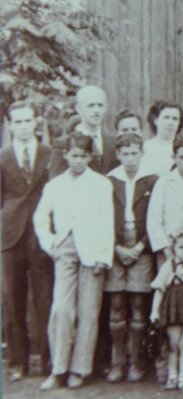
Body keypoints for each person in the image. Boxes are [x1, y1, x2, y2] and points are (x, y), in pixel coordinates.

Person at [33, 132, 114, 390]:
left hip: (92, 250)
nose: (78, 160)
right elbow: (40, 219)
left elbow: (106, 221)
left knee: (89, 310)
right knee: (61, 309)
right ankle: (58, 368)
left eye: (83, 156)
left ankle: (80, 369)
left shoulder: (101, 184)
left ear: (90, 157)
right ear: (66, 155)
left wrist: (103, 255)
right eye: (74, 155)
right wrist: (51, 244)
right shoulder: (55, 185)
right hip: (65, 249)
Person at [1, 101, 54, 381]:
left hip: (41, 234)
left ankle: (47, 360)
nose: (23, 127)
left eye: (27, 121)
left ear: (36, 122)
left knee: (45, 297)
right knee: (12, 298)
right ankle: (17, 362)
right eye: (17, 122)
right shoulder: (3, 156)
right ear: (9, 124)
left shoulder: (49, 154)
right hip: (10, 236)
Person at [105, 133, 157, 383]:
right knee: (116, 305)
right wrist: (116, 247)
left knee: (138, 304)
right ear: (117, 155)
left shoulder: (152, 180)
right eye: (124, 153)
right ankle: (118, 362)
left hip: (141, 248)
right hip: (116, 249)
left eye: (134, 153)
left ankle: (135, 361)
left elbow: (157, 218)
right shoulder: (110, 180)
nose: (129, 158)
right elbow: (101, 218)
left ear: (142, 153)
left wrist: (139, 246)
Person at [149, 228, 183, 393]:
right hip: (173, 310)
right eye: (181, 247)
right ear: (174, 248)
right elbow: (159, 290)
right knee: (173, 344)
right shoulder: (169, 266)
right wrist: (154, 311)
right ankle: (172, 377)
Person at [51, 85, 119, 176]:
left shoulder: (114, 143)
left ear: (105, 108)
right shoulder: (63, 144)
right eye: (91, 105)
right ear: (79, 108)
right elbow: (56, 183)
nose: (96, 111)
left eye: (100, 105)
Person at [142, 101, 183, 176]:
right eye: (166, 117)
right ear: (155, 120)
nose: (170, 123)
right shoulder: (145, 148)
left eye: (175, 119)